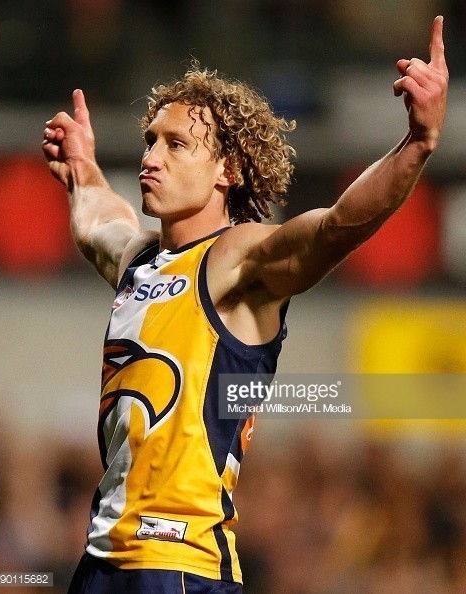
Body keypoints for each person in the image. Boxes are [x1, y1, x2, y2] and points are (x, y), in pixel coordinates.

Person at [42, 16, 448, 594]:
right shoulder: (139, 262)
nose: (151, 157)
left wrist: (419, 143)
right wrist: (82, 166)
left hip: (183, 568)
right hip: (101, 566)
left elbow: (334, 228)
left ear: (226, 171)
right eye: (150, 139)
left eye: (176, 143)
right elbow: (98, 221)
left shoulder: (236, 259)